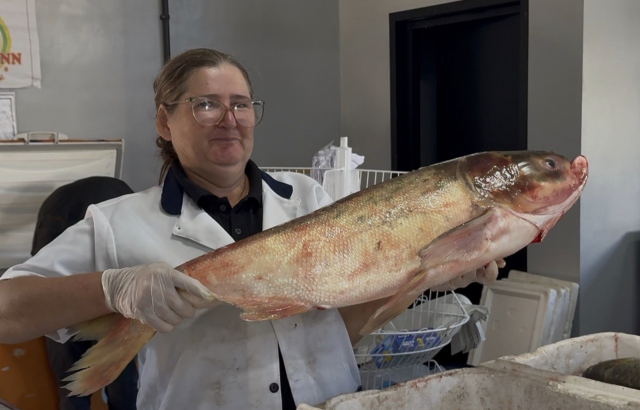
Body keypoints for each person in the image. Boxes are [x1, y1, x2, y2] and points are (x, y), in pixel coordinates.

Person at [0, 48, 499, 410]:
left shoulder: (309, 201)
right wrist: (112, 288)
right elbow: (6, 310)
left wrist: (428, 272)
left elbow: (340, 329)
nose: (230, 119)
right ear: (164, 122)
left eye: (241, 104)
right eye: (206, 104)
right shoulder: (118, 221)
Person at [31, 176, 139, 410]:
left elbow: (39, 267)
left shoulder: (57, 203)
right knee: (122, 382)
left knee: (73, 389)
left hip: (66, 305)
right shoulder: (127, 200)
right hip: (112, 306)